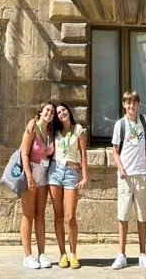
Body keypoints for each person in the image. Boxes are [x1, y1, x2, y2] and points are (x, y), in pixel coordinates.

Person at [110, 90, 146, 270]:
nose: (132, 106)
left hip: (142, 174)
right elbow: (115, 150)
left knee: (142, 215)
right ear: (124, 105)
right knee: (123, 215)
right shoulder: (120, 125)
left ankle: (143, 253)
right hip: (125, 176)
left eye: (134, 102)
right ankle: (121, 254)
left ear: (138, 104)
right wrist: (120, 168)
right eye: (128, 103)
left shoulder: (145, 121)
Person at [49, 102, 89, 269]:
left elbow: (83, 153)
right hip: (55, 172)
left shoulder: (78, 129)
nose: (61, 114)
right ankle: (62, 254)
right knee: (58, 215)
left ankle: (73, 253)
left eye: (63, 110)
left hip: (71, 173)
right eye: (58, 113)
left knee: (70, 216)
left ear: (68, 111)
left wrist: (85, 176)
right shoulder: (54, 131)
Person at [20, 102, 56, 269]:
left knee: (40, 215)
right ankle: (27, 255)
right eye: (47, 110)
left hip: (44, 173)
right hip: (32, 171)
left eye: (52, 112)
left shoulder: (50, 131)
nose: (50, 113)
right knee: (28, 215)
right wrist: (29, 177)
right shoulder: (32, 127)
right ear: (40, 112)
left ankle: (42, 253)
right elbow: (24, 154)